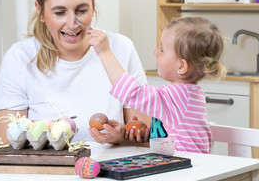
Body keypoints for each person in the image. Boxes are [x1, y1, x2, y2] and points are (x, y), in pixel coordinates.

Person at [0, 0, 151, 144]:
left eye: (81, 10)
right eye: (59, 13)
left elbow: (144, 137)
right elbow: (6, 143)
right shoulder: (20, 58)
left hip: (108, 170)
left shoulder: (121, 48)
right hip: (46, 172)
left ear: (93, 4)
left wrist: (121, 138)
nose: (72, 24)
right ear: (40, 10)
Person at [88, 16, 226, 154]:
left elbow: (132, 93)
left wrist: (104, 52)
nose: (156, 52)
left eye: (162, 49)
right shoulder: (188, 94)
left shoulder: (179, 95)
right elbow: (172, 137)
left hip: (185, 171)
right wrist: (141, 134)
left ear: (181, 66)